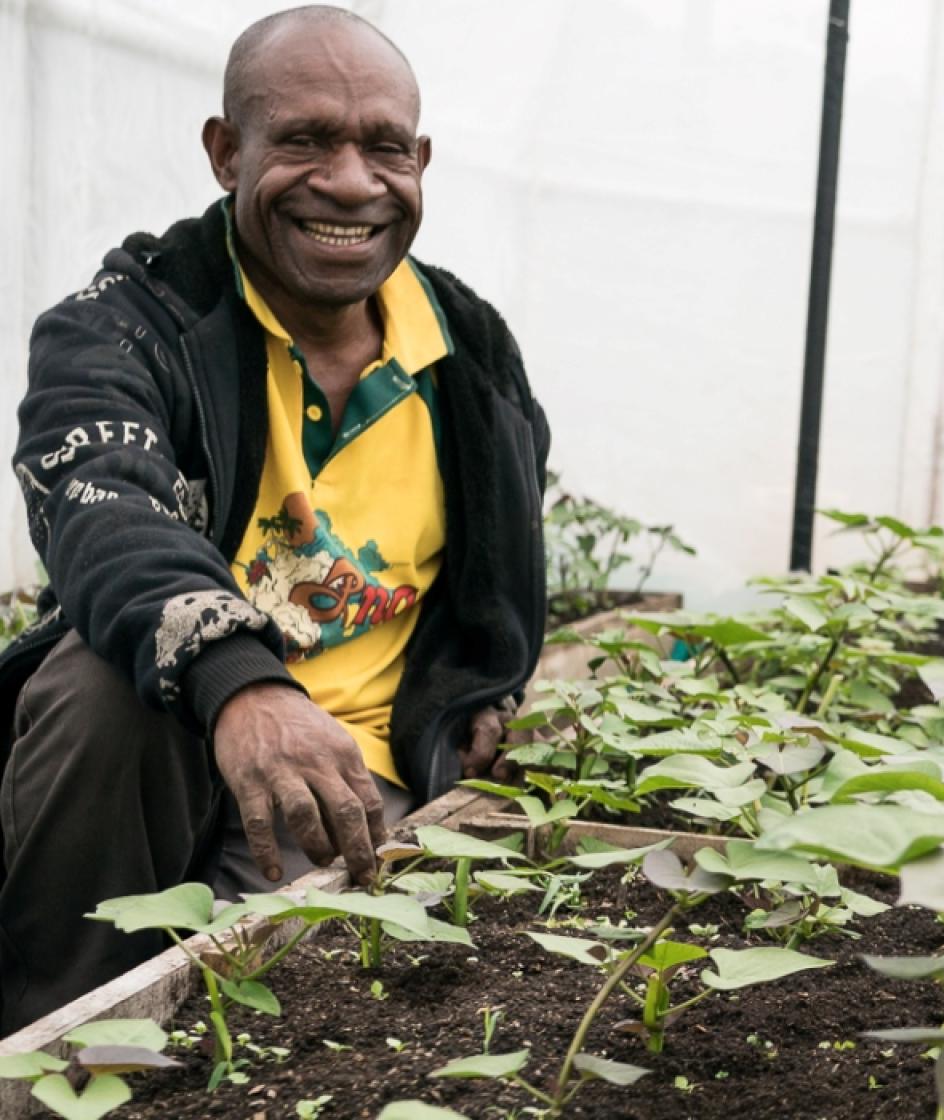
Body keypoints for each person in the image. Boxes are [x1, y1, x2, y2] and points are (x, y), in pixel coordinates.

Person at [0, 7, 549, 1033]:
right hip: (164, 762)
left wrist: (494, 684)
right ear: (225, 152)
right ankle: (51, 1036)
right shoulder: (129, 324)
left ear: (420, 160)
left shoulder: (469, 351)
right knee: (102, 685)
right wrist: (241, 684)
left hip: (365, 779)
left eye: (384, 147)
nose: (349, 181)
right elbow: (104, 504)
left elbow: (509, 560)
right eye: (302, 140)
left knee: (297, 1035)